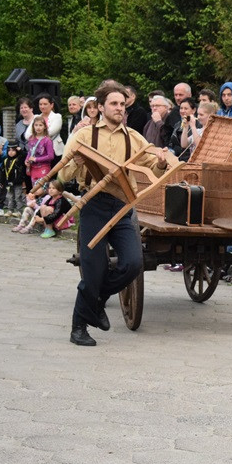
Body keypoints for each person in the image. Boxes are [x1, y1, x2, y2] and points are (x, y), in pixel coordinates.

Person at [58, 81, 169, 347]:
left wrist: (162, 161)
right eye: (114, 104)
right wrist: (76, 163)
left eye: (122, 104)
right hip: (93, 204)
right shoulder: (83, 136)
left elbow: (153, 162)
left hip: (123, 206)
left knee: (132, 262)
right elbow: (62, 175)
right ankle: (79, 328)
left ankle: (96, 300)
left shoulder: (133, 137)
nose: (120, 108)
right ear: (100, 108)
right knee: (93, 269)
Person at [26, 93, 64, 159]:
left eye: (45, 104)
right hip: (37, 153)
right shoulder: (36, 117)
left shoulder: (57, 117)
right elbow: (27, 135)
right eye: (40, 104)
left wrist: (35, 135)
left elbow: (50, 132)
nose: (42, 106)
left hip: (55, 152)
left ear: (51, 105)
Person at [25, 116, 55, 186]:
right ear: (33, 126)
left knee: (42, 188)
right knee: (34, 188)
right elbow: (29, 152)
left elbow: (51, 156)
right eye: (36, 125)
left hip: (44, 167)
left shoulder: (47, 140)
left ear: (45, 127)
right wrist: (26, 160)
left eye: (40, 125)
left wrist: (36, 159)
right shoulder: (31, 138)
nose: (38, 127)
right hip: (33, 168)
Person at [2, 142, 27, 217]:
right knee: (10, 197)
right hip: (9, 183)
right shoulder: (6, 160)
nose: (11, 152)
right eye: (9, 150)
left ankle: (19, 211)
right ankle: (10, 210)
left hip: (17, 182)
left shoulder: (18, 160)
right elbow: (3, 172)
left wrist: (20, 150)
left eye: (13, 150)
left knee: (17, 197)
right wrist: (3, 182)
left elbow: (25, 155)